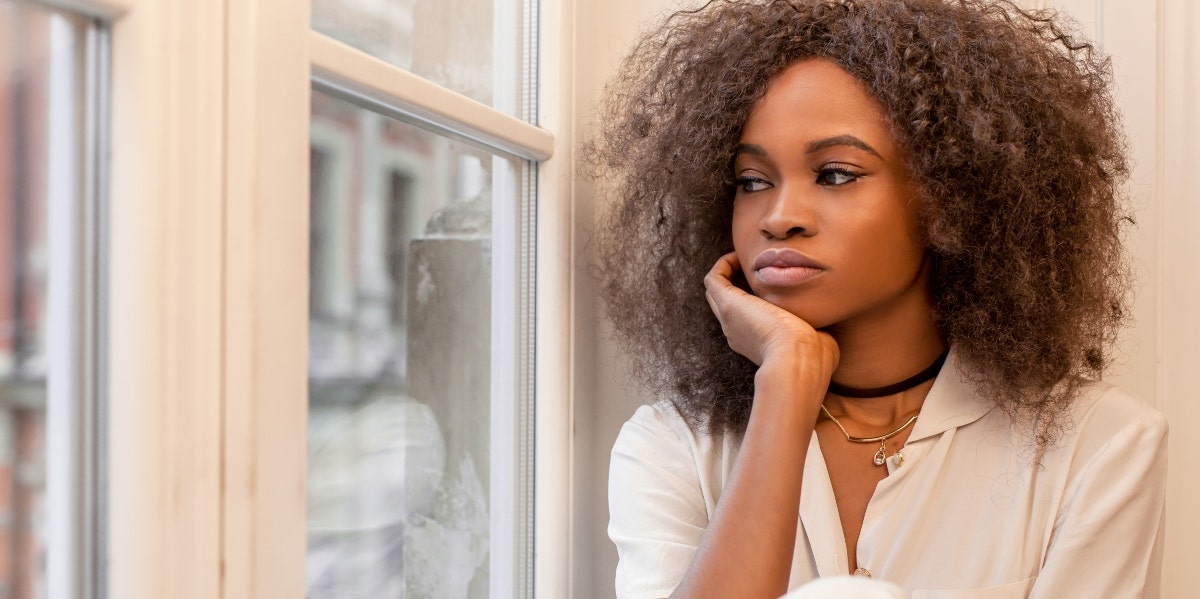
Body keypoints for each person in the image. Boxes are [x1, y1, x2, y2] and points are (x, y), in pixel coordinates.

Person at [588, 1, 1168, 597]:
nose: (779, 217)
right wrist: (785, 382)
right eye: (752, 181)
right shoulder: (674, 446)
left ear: (949, 195)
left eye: (836, 174)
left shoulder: (1099, 446)